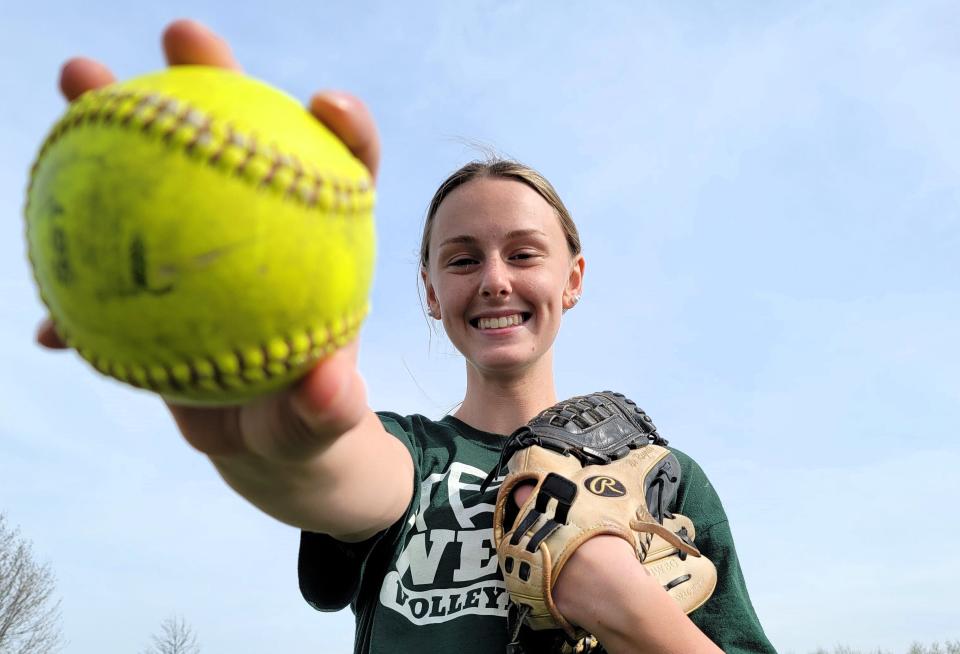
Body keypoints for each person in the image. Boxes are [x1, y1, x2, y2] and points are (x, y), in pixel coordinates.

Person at [38, 19, 777, 654]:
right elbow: (334, 473)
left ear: (573, 279)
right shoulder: (412, 454)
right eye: (462, 259)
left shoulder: (665, 476)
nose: (493, 279)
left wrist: (626, 606)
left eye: (524, 253)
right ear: (429, 291)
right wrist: (275, 439)